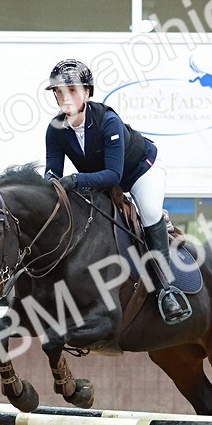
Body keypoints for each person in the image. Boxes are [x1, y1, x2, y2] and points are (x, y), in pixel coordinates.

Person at [42, 58, 191, 324]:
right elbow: (52, 170)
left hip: (139, 172)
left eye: (72, 90)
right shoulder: (56, 129)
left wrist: (74, 181)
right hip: (98, 179)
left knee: (148, 213)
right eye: (59, 92)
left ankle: (167, 290)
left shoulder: (107, 120)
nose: (65, 97)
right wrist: (49, 185)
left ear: (87, 92)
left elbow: (114, 175)